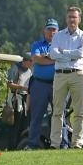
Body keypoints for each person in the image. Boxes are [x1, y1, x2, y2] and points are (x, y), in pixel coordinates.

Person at [49, 6, 83, 149]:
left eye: (74, 17)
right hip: (60, 75)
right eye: (69, 17)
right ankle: (55, 143)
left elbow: (81, 54)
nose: (72, 19)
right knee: (57, 111)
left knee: (78, 111)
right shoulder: (58, 35)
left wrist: (63, 52)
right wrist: (69, 54)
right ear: (66, 19)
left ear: (79, 19)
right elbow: (53, 54)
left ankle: (77, 143)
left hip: (77, 75)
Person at [27, 19, 59, 150]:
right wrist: (54, 58)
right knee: (37, 115)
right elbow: (36, 59)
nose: (51, 32)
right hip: (39, 84)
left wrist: (46, 57)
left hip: (57, 84)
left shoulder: (61, 45)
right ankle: (32, 144)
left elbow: (62, 59)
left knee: (59, 114)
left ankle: (61, 143)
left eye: (54, 30)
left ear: (58, 31)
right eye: (49, 29)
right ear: (44, 31)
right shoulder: (37, 44)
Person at [6, 53, 33, 148]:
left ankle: (19, 144)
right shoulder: (15, 68)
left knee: (24, 123)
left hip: (25, 99)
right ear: (26, 61)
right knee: (15, 124)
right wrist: (23, 87)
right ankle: (12, 145)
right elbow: (10, 84)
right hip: (16, 99)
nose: (32, 63)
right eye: (31, 61)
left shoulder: (29, 71)